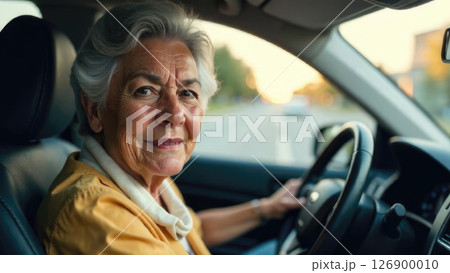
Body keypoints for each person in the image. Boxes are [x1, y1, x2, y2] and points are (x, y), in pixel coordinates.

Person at [36, 0, 304, 255]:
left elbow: (191, 233)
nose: (176, 113)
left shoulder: (144, 179)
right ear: (95, 110)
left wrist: (267, 208)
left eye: (188, 93)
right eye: (146, 91)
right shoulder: (94, 214)